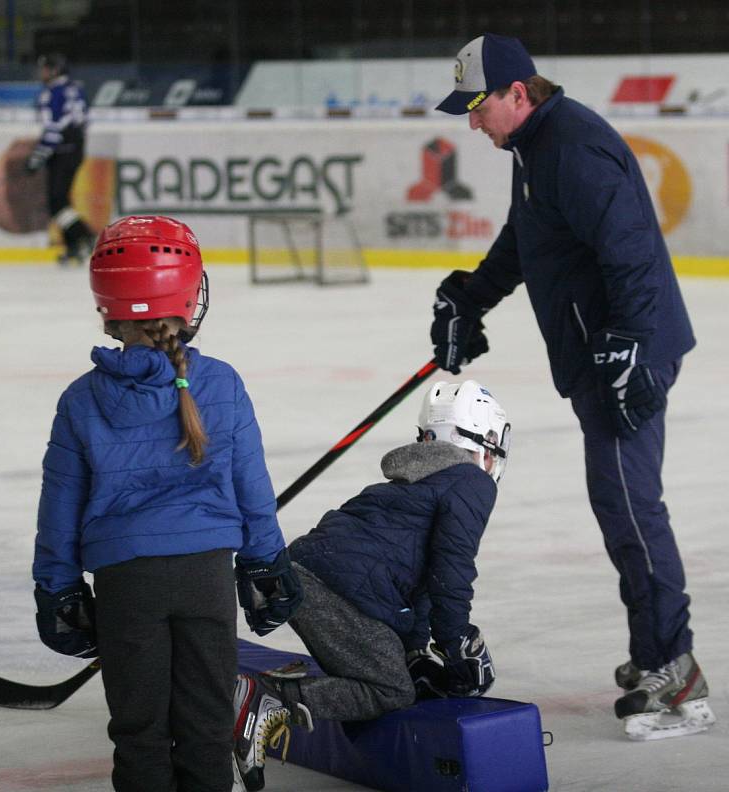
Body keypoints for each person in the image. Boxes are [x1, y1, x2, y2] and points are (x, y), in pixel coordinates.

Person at [431, 33, 715, 741]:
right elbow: (529, 238)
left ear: (517, 93)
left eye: (478, 107)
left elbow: (632, 252)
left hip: (625, 357)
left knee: (629, 507)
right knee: (618, 503)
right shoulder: (535, 147)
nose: (472, 122)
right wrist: (473, 296)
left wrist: (628, 349)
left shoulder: (572, 149)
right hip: (604, 351)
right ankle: (655, 650)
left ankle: (672, 668)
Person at [31, 215, 302, 792]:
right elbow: (253, 488)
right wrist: (266, 564)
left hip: (127, 587)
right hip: (206, 579)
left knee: (139, 731)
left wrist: (57, 587)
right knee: (206, 726)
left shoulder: (80, 400)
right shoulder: (221, 382)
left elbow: (58, 509)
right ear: (187, 294)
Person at [233, 379, 510, 792]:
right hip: (340, 589)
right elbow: (450, 571)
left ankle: (239, 701)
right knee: (389, 689)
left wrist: (415, 651)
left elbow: (411, 578)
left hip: (301, 576)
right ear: (487, 440)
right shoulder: (471, 481)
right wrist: (456, 643)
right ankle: (267, 700)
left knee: (394, 673)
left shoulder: (413, 481)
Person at [26, 53, 95, 267]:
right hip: (75, 150)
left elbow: (53, 129)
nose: (41, 73)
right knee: (60, 200)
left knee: (57, 202)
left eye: (45, 68)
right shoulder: (76, 89)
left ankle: (84, 235)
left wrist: (37, 157)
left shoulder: (52, 94)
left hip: (62, 152)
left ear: (54, 70)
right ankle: (74, 246)